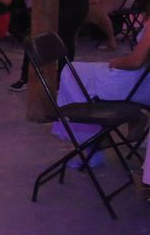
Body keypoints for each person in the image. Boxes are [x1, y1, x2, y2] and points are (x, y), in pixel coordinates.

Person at [51, 19, 150, 169]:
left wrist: (116, 63)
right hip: (142, 83)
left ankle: (95, 144)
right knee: (80, 72)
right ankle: (107, 132)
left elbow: (135, 62)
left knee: (71, 73)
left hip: (138, 85)